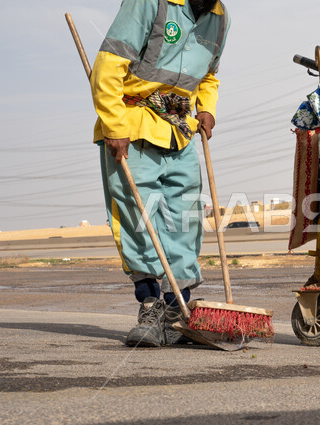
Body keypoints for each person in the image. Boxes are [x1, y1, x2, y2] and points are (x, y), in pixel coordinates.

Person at [90, 0, 230, 347]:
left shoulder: (219, 17)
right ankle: (151, 305)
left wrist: (207, 109)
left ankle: (176, 309)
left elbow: (210, 75)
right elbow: (109, 64)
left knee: (186, 218)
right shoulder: (150, 2)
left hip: (180, 130)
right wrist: (113, 125)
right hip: (133, 123)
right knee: (140, 216)